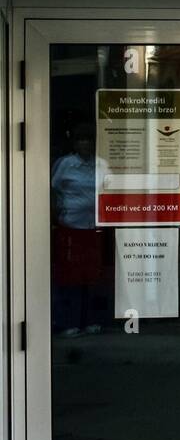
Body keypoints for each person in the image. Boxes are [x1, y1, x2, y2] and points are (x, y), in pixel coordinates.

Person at [51, 123, 109, 336]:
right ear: (74, 143)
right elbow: (52, 190)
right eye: (81, 139)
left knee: (92, 278)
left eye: (88, 139)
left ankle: (91, 321)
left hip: (93, 229)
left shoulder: (100, 164)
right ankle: (69, 322)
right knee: (70, 278)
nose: (85, 143)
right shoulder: (66, 164)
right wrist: (55, 217)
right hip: (71, 228)